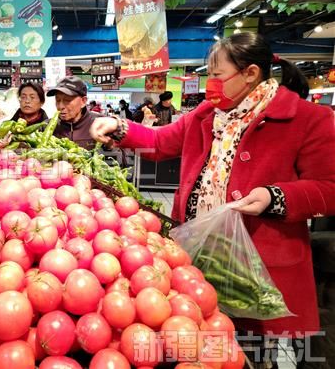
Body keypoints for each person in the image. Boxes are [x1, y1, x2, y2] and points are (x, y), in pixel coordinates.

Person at [90, 32, 335, 368]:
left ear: (250, 73)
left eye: (218, 75)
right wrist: (119, 127)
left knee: (248, 352)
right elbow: (160, 142)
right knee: (201, 342)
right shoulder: (207, 114)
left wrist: (274, 196)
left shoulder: (308, 119)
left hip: (258, 267)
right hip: (198, 256)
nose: (211, 84)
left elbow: (329, 188)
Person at [46, 76, 98, 150]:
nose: (60, 106)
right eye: (58, 100)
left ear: (83, 101)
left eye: (67, 100)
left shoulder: (99, 123)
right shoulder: (46, 127)